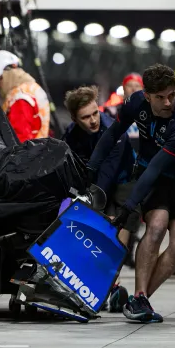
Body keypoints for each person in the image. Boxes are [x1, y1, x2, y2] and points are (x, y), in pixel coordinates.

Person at [86, 63, 175, 323]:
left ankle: (139, 299)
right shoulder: (135, 103)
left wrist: (128, 206)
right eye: (160, 97)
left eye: (172, 95)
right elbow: (111, 135)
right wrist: (90, 169)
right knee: (157, 225)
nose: (168, 102)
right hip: (155, 179)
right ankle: (140, 295)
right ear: (147, 95)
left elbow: (157, 166)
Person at [61, 85, 135, 312]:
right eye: (86, 117)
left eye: (95, 113)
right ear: (75, 118)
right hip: (93, 182)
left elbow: (106, 177)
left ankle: (107, 283)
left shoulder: (115, 132)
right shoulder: (71, 135)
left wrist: (98, 211)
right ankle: (101, 284)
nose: (93, 120)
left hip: (123, 180)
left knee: (115, 230)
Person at [0, 50, 51, 142]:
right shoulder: (31, 88)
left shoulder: (20, 98)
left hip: (28, 155)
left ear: (7, 73)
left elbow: (21, 141)